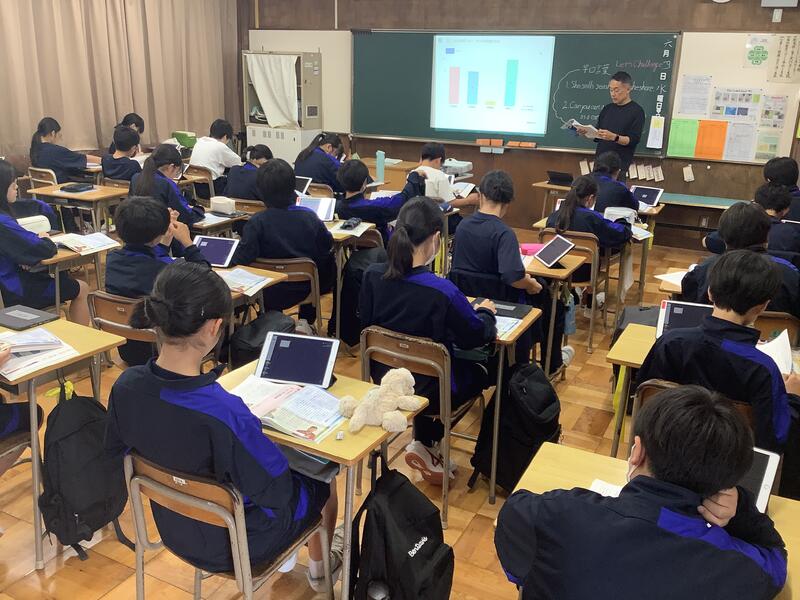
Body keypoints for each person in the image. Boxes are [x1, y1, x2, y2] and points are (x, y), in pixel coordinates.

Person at [104, 262, 342, 590]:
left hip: (174, 527)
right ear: (214, 327)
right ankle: (319, 572)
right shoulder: (225, 414)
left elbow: (117, 451)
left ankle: (289, 558)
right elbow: (278, 492)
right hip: (242, 543)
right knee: (321, 477)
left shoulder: (125, 386)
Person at [496, 384, 787, 599]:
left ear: (637, 451)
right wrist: (742, 509)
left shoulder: (556, 515)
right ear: (724, 484)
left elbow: (512, 514)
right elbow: (776, 564)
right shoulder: (741, 569)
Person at [360, 196, 497, 484]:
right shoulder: (442, 291)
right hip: (433, 392)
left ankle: (425, 444)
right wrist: (486, 313)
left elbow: (366, 325)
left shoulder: (372, 276)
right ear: (436, 238)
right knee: (488, 368)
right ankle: (485, 458)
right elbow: (475, 337)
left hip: (385, 380)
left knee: (423, 364)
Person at [641, 250, 800, 463]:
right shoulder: (763, 369)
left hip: (665, 452)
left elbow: (646, 394)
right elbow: (774, 441)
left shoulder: (671, 342)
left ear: (710, 292)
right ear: (762, 306)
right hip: (727, 466)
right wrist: (792, 398)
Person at [449, 170, 573, 373]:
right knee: (554, 304)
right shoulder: (504, 233)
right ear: (508, 202)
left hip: (470, 299)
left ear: (481, 196)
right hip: (506, 303)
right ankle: (552, 364)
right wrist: (531, 284)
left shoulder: (463, 226)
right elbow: (512, 277)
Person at [232, 159, 335, 333]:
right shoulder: (309, 217)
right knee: (323, 261)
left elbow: (242, 257)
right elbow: (326, 246)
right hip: (305, 287)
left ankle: (271, 320)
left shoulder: (256, 222)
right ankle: (305, 321)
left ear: (260, 191)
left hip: (266, 289)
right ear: (293, 187)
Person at [105, 197, 209, 366]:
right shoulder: (168, 269)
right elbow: (206, 277)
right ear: (157, 236)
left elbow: (144, 260)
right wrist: (188, 242)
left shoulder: (112, 259)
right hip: (164, 352)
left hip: (128, 348)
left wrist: (162, 243)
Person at [0, 159, 89, 324]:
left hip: (7, 284)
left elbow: (20, 246)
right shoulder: (3, 223)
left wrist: (26, 254)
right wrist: (45, 239)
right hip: (17, 290)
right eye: (13, 185)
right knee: (82, 288)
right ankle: (83, 340)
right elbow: (43, 249)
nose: (17, 188)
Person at [682, 201, 800, 319]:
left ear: (722, 237)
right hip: (779, 330)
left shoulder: (704, 269)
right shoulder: (790, 275)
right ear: (767, 237)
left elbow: (689, 309)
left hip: (713, 329)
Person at [545, 175, 632, 284]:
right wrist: (623, 222)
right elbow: (618, 234)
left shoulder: (553, 216)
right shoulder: (591, 217)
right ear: (590, 198)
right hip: (584, 273)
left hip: (555, 268)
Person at [573, 72, 645, 179]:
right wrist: (585, 132)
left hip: (617, 168)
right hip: (599, 165)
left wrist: (614, 137)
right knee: (595, 189)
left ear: (628, 89)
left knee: (614, 190)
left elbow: (633, 140)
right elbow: (598, 134)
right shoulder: (607, 109)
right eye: (611, 90)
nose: (613, 94)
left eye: (617, 90)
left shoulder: (637, 111)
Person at [336, 158, 425, 242]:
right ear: (364, 183)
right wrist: (413, 177)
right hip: (381, 249)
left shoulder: (335, 207)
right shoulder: (373, 207)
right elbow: (402, 199)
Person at [704, 186, 800, 255]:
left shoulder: (740, 225)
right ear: (786, 209)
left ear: (755, 203)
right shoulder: (793, 234)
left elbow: (706, 241)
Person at [131, 144, 205, 228]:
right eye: (177, 171)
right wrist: (199, 210)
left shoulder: (135, 178)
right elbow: (185, 215)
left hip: (137, 229)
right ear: (171, 167)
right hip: (161, 230)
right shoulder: (166, 184)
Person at [29, 117, 101, 183]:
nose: (60, 139)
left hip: (43, 190)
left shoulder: (34, 149)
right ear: (53, 133)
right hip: (61, 188)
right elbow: (82, 158)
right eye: (59, 135)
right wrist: (102, 160)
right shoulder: (55, 151)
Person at [414, 142, 478, 209]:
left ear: (421, 158)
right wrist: (468, 200)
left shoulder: (412, 173)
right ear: (438, 160)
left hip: (414, 212)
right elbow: (450, 203)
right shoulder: (439, 175)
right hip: (434, 213)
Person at [189, 119, 242, 197]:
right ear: (225, 136)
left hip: (196, 188)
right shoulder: (220, 146)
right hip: (212, 189)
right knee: (237, 175)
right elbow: (238, 163)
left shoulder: (200, 141)